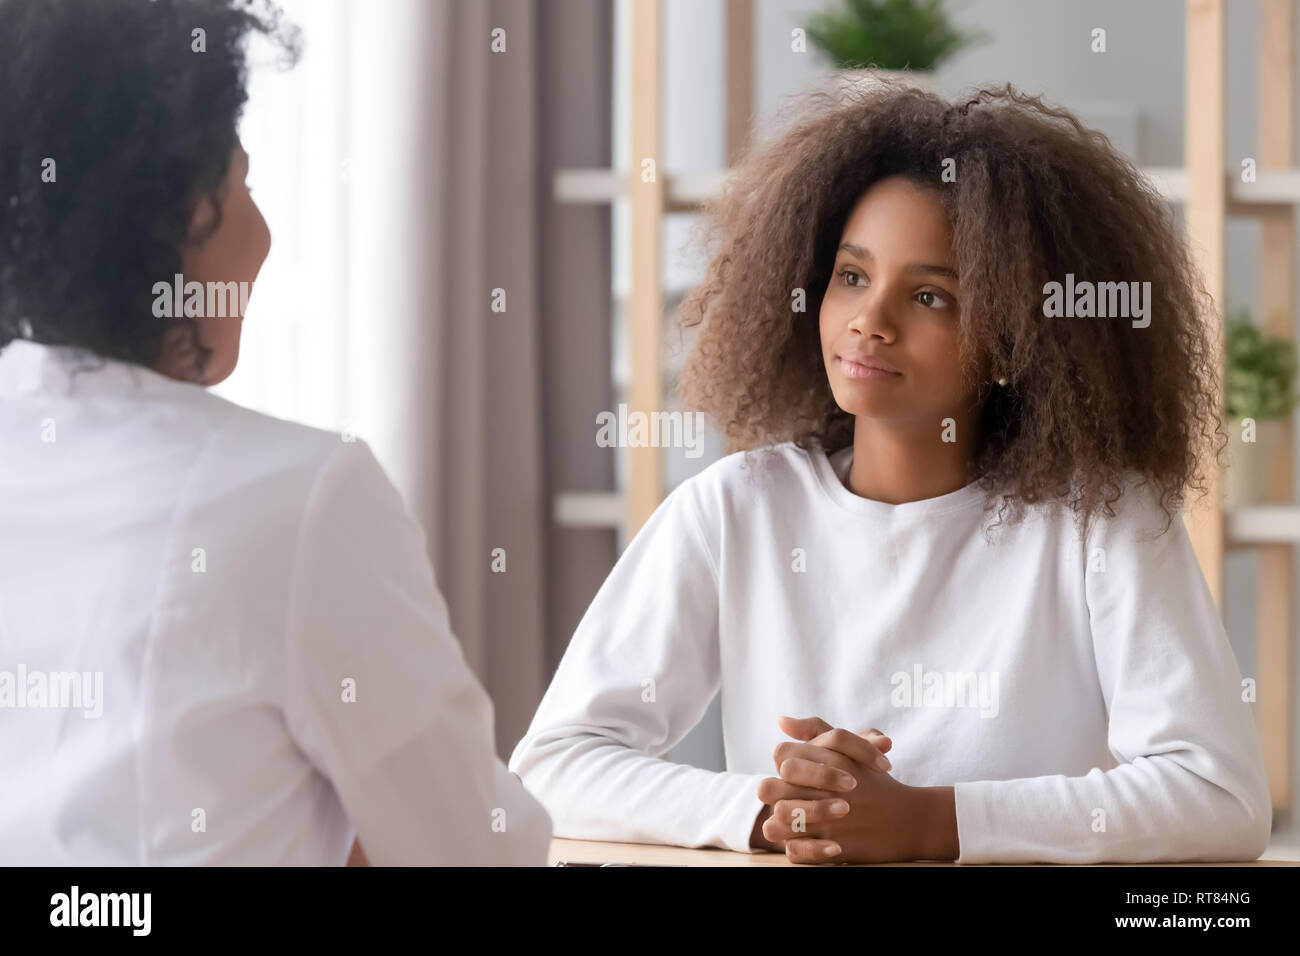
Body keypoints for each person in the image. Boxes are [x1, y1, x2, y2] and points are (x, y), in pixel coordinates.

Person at [509, 82, 1272, 865]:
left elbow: (1220, 797)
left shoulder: (1105, 520)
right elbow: (552, 763)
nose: (871, 320)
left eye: (930, 295)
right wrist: (772, 810)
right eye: (851, 276)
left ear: (1014, 341)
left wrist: (930, 822)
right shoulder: (733, 510)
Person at [0, 0, 549, 865]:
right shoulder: (297, 494)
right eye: (242, 184)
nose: (263, 233)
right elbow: (472, 846)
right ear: (183, 211)